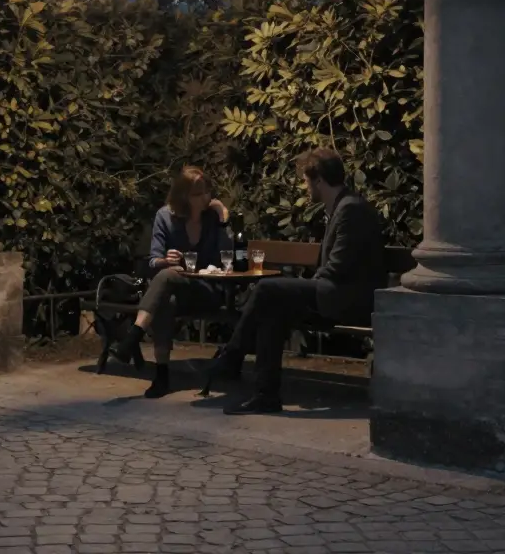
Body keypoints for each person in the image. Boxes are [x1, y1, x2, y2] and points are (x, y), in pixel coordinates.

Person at [212, 148, 386, 415]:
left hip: (349, 299)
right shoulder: (342, 205)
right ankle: (265, 395)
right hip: (335, 292)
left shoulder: (352, 209)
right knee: (273, 308)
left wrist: (309, 286)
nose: (305, 188)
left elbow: (338, 268)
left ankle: (232, 356)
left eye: (306, 181)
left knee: (268, 288)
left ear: (318, 180)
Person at [110, 166, 232, 398]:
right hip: (176, 290)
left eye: (207, 192)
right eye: (198, 194)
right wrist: (165, 260)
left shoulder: (213, 218)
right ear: (184, 196)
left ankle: (133, 336)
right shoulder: (165, 216)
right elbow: (153, 260)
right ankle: (162, 375)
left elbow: (226, 257)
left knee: (167, 277)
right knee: (167, 298)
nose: (205, 198)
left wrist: (223, 220)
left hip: (207, 290)